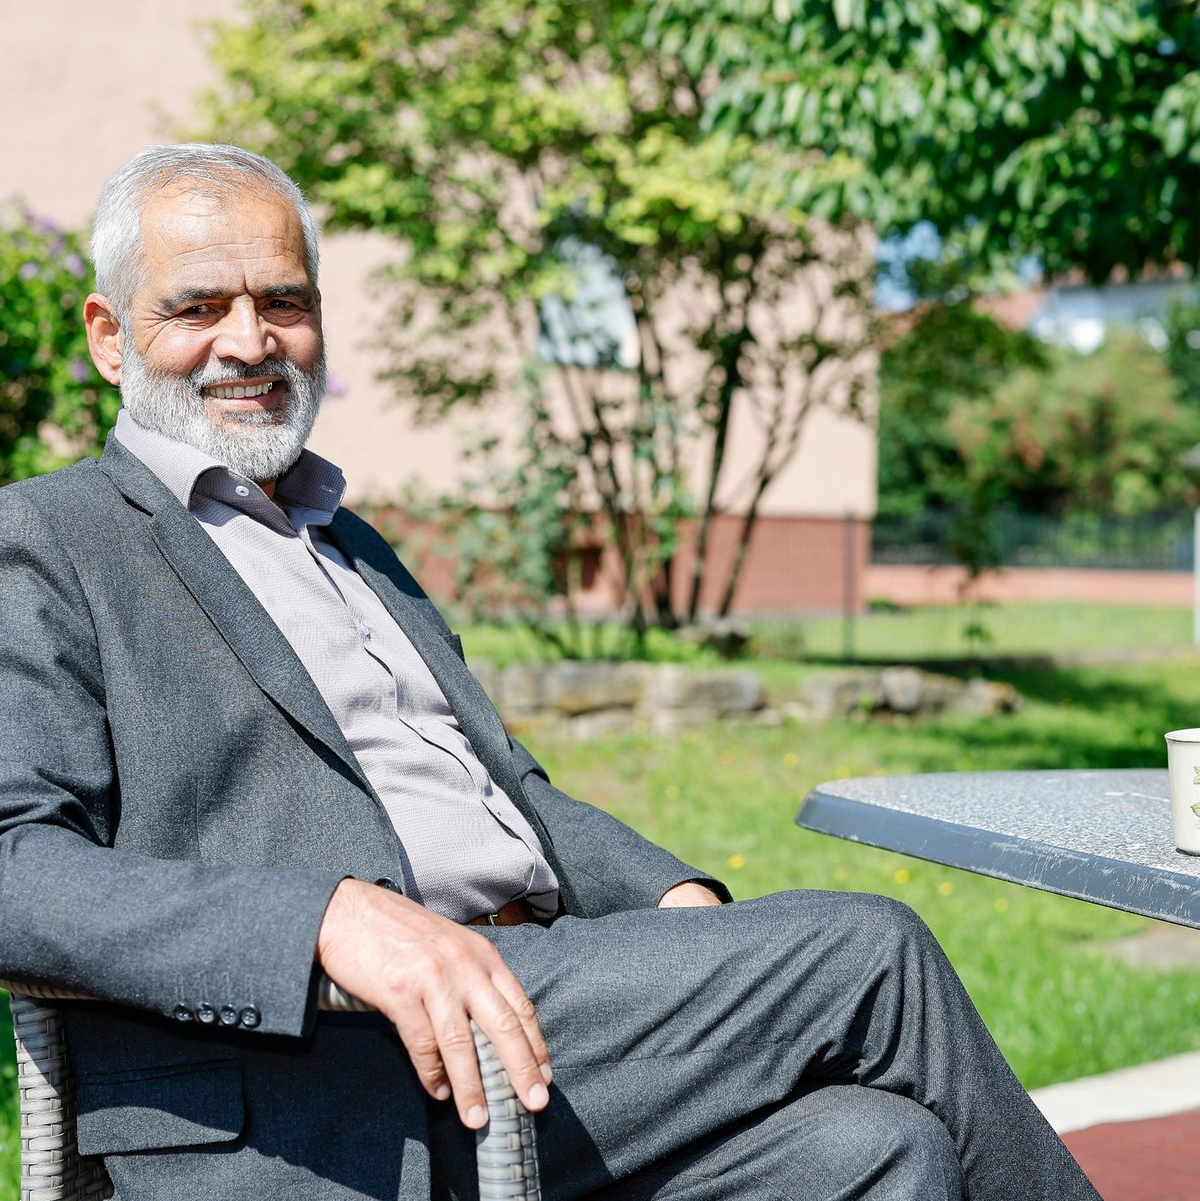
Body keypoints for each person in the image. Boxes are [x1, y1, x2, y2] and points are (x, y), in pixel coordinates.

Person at [0, 143, 1098, 1201]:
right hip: (335, 1075)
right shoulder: (48, 540)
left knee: (874, 1147)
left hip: (546, 1011)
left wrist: (670, 895)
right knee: (873, 953)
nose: (252, 340)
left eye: (284, 302)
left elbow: (510, 789)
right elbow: (14, 865)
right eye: (197, 307)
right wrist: (323, 918)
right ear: (109, 337)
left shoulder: (353, 542)